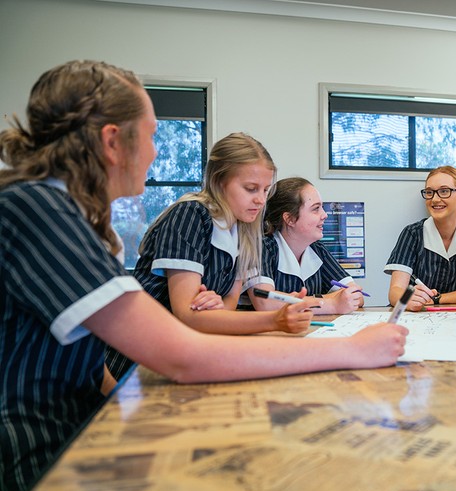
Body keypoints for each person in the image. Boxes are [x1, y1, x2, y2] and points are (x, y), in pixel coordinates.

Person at [0, 60, 407, 491]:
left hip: (76, 429)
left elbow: (88, 362)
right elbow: (184, 352)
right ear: (112, 141)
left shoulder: (63, 212)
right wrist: (352, 351)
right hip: (36, 450)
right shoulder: (39, 212)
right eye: (152, 135)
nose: (156, 152)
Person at [104, 133, 314, 380]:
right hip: (137, 360)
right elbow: (188, 315)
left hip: (181, 355)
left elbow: (227, 307)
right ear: (219, 181)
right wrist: (274, 320)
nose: (260, 199)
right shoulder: (191, 215)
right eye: (250, 188)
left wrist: (214, 309)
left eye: (265, 190)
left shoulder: (244, 231)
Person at [385, 165, 456, 311]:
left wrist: (437, 299)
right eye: (429, 192)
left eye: (444, 191)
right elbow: (395, 292)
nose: (435, 199)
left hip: (452, 316)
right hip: (417, 314)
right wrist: (407, 299)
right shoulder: (412, 233)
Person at [249, 177, 365, 314]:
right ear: (289, 219)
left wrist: (333, 300)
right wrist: (332, 303)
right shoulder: (262, 248)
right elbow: (265, 302)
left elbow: (357, 296)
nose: (325, 215)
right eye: (316, 209)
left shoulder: (317, 249)